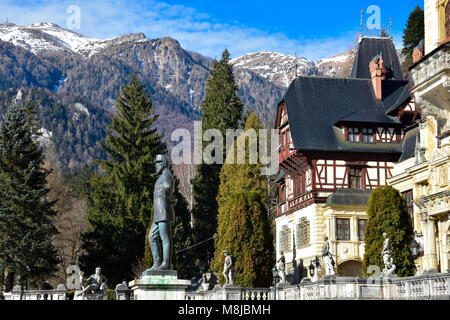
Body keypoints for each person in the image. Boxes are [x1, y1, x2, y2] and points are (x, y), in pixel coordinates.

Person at [148, 154, 175, 271]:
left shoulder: (167, 175)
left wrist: (166, 187)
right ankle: (157, 262)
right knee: (151, 237)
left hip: (163, 211)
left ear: (164, 163)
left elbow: (168, 185)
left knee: (165, 238)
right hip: (158, 213)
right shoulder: (162, 176)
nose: (156, 165)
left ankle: (166, 263)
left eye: (158, 163)